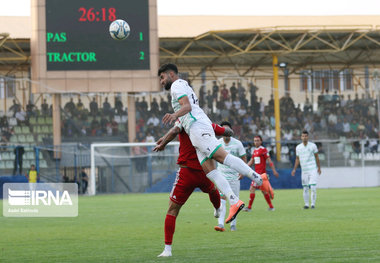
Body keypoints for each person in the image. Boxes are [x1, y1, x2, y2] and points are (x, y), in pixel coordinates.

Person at [158, 63, 262, 226]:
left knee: (222, 157)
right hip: (197, 128)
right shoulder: (184, 84)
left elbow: (187, 106)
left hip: (197, 128)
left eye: (162, 77)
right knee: (209, 170)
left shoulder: (176, 86)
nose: (161, 81)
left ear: (171, 74)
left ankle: (258, 178)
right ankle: (234, 201)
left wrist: (174, 114)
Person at [154, 122, 232, 257]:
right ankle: (218, 208)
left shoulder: (183, 121)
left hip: (186, 172)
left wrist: (163, 143)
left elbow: (173, 131)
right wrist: (224, 130)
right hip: (203, 170)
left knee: (172, 210)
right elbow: (228, 132)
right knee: (212, 189)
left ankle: (167, 250)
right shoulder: (206, 123)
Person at [214, 121, 246, 232]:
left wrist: (242, 172)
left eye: (227, 130)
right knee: (222, 199)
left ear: (231, 132)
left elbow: (243, 158)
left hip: (234, 178)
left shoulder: (237, 144)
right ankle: (221, 224)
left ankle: (233, 224)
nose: (225, 132)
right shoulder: (217, 143)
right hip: (222, 177)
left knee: (235, 202)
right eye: (223, 130)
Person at [243, 135, 279, 212]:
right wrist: (244, 167)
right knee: (264, 191)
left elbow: (269, 161)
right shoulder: (255, 151)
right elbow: (251, 161)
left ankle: (249, 207)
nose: (256, 142)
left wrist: (274, 170)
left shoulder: (263, 150)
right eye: (255, 140)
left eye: (257, 140)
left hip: (261, 174)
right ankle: (271, 207)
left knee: (252, 188)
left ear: (261, 141)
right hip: (256, 174)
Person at [291, 130, 322, 209]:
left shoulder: (313, 146)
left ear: (308, 137)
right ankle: (306, 204)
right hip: (304, 170)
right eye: (303, 136)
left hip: (312, 169)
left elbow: (317, 157)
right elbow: (297, 159)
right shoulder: (298, 147)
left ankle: (313, 204)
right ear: (301, 137)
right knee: (305, 188)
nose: (304, 137)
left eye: (306, 136)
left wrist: (319, 168)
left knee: (313, 187)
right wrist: (294, 169)